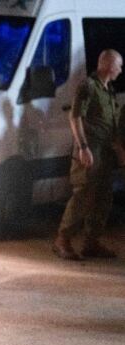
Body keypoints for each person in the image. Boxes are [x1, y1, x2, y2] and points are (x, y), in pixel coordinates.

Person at [53, 49, 122, 260]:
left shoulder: (107, 90)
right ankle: (63, 240)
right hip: (90, 151)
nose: (120, 70)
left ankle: (92, 242)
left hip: (105, 153)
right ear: (109, 66)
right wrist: (83, 147)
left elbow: (110, 125)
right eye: (119, 66)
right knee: (82, 195)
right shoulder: (88, 86)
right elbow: (75, 117)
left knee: (102, 198)